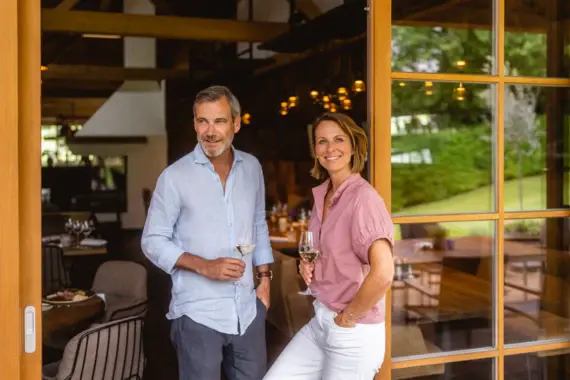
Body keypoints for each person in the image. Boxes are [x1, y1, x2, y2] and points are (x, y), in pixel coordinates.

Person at [141, 85, 274, 380]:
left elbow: (258, 224)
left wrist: (264, 279)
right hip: (197, 313)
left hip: (247, 308)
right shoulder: (174, 177)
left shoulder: (252, 167)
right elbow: (152, 241)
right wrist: (204, 266)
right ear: (194, 124)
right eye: (203, 121)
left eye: (220, 121)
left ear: (236, 124)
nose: (210, 131)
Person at [263, 112, 394, 380]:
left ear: (354, 146)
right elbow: (328, 251)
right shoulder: (324, 195)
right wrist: (309, 263)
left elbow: (383, 273)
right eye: (322, 141)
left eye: (338, 139)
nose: (330, 148)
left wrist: (348, 317)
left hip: (351, 332)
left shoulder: (363, 199)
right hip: (321, 322)